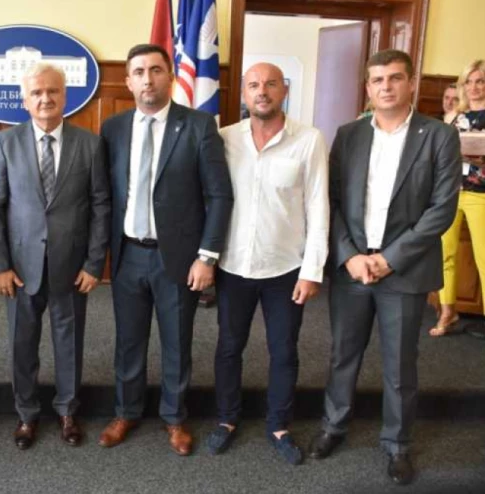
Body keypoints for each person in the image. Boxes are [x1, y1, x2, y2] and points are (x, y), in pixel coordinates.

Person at [308, 49, 460, 486]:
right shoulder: (349, 134)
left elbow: (441, 209)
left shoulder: (438, 136)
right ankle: (333, 426)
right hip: (353, 267)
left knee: (399, 364)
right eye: (378, 80)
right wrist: (349, 255)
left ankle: (397, 444)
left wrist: (389, 259)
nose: (386, 86)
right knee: (343, 355)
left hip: (404, 271)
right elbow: (330, 201)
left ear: (411, 83)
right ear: (368, 88)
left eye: (395, 78)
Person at [97, 43, 232, 456]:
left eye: (155, 70)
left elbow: (219, 195)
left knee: (176, 341)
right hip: (127, 255)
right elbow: (104, 193)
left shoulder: (198, 126)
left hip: (178, 258)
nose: (147, 79)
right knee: (128, 341)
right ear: (128, 81)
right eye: (139, 72)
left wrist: (207, 256)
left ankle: (174, 417)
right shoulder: (113, 128)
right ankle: (126, 411)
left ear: (170, 76)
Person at [206, 63, 329, 464]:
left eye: (271, 84)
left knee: (284, 350)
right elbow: (208, 200)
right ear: (244, 93)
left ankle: (279, 425)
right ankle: (226, 419)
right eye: (254, 85)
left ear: (284, 90)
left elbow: (319, 208)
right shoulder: (224, 138)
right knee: (228, 347)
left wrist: (312, 270)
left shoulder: (309, 140)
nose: (262, 91)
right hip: (233, 266)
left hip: (286, 269)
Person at [0, 63, 110, 450]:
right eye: (36, 93)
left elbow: (100, 206)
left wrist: (94, 264)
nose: (45, 98)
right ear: (24, 101)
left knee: (69, 344)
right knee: (22, 344)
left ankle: (68, 410)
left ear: (64, 96)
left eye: (52, 91)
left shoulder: (89, 144)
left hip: (71, 269)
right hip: (20, 269)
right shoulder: (5, 143)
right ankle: (26, 413)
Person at [431, 60, 485, 338]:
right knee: (445, 255)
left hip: (481, 193)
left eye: (480, 81)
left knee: (483, 259)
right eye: (469, 82)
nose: (474, 87)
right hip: (450, 191)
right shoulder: (453, 117)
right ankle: (447, 312)